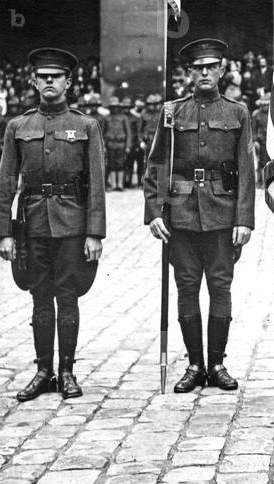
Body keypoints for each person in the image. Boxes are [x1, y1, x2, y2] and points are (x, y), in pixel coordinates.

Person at [0, 47, 106, 401]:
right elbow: (6, 180)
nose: (48, 83)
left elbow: (98, 184)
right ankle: (43, 371)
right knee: (39, 299)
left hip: (72, 225)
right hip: (34, 225)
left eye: (55, 77)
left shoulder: (86, 126)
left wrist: (95, 233)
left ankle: (67, 371)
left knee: (67, 298)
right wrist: (4, 233)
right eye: (42, 77)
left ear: (68, 82)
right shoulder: (19, 126)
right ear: (33, 81)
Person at [144, 38, 254, 393]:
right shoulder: (172, 112)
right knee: (187, 287)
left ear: (222, 71)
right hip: (182, 216)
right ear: (189, 73)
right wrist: (155, 211)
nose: (204, 73)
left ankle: (217, 363)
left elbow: (246, 169)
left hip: (222, 215)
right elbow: (157, 163)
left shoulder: (237, 113)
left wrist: (244, 218)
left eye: (210, 67)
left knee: (220, 287)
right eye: (197, 68)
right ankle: (194, 365)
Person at [104, 97, 133, 191]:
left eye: (116, 107)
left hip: (121, 144)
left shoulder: (124, 118)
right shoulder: (107, 118)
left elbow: (128, 133)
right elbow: (103, 133)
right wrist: (103, 145)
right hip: (110, 144)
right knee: (111, 164)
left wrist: (128, 145)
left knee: (121, 164)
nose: (114, 109)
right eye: (112, 107)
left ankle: (120, 184)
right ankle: (113, 184)